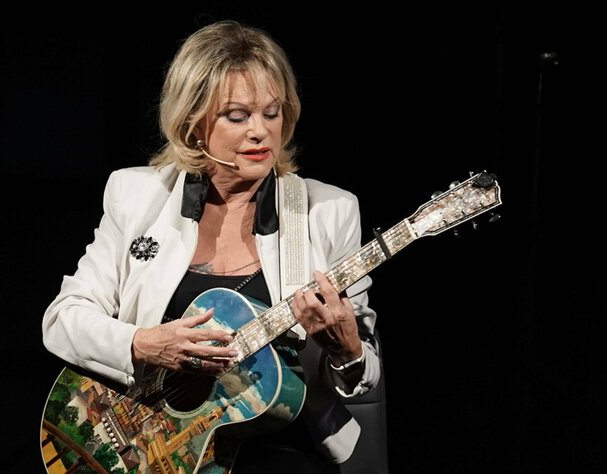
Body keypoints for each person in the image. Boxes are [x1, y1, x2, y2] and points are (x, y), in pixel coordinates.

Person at [42, 20, 381, 473]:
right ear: (193, 122)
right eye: (237, 116)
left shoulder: (327, 210)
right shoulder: (137, 196)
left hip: (280, 447)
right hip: (153, 445)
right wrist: (143, 343)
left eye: (272, 113)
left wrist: (348, 351)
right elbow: (63, 320)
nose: (260, 132)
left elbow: (364, 372)